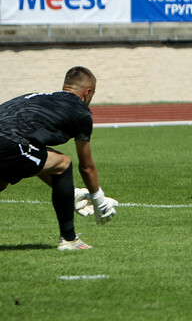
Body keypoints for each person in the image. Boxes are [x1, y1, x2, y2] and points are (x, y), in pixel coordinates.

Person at [0, 66, 117, 250]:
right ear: (87, 93)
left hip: (8, 140)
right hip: (9, 142)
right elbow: (86, 167)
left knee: (3, 180)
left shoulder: (37, 96)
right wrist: (99, 200)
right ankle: (69, 240)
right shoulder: (81, 111)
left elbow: (37, 153)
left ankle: (70, 195)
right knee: (63, 163)